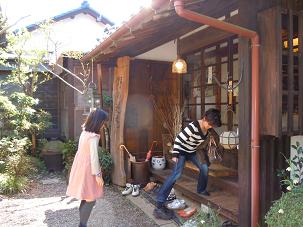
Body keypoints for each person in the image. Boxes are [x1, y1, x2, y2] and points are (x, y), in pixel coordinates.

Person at [153, 108, 222, 220]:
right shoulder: (193, 126)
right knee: (177, 174)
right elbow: (178, 140)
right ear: (204, 118)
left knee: (204, 167)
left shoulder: (208, 129)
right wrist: (175, 155)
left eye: (212, 125)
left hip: (192, 151)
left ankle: (201, 189)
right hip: (181, 152)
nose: (210, 126)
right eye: (209, 124)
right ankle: (160, 202)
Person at [66, 108, 108, 227]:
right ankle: (82, 225)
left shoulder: (85, 132)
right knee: (90, 198)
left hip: (80, 166)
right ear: (98, 121)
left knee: (85, 196)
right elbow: (94, 157)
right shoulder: (93, 137)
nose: (103, 125)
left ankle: (82, 224)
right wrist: (98, 175)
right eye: (103, 122)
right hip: (88, 169)